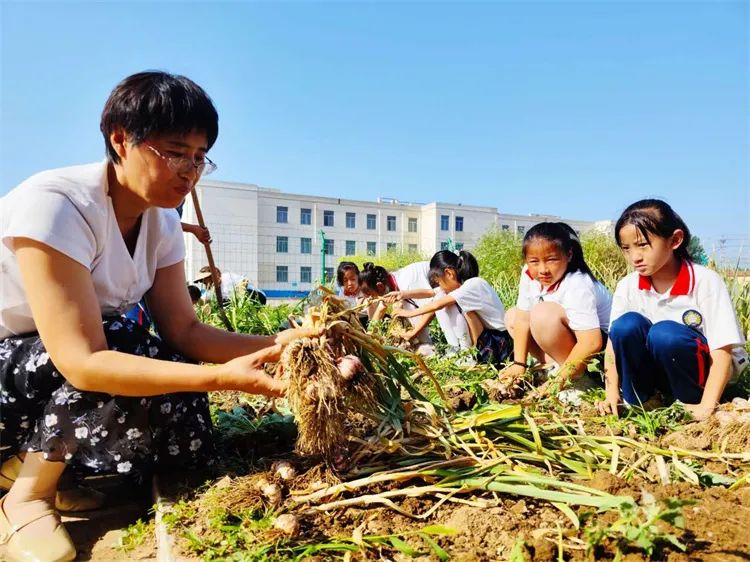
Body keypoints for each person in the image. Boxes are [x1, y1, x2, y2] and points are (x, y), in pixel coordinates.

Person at [0, 71, 316, 562]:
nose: (189, 171)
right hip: (13, 371)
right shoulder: (57, 205)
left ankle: (37, 464)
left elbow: (185, 330)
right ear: (121, 140)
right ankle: (26, 496)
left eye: (199, 156)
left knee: (185, 432)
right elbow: (83, 361)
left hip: (60, 368)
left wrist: (283, 344)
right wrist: (217, 379)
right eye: (175, 152)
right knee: (125, 346)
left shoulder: (163, 221)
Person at [597, 199, 747, 421]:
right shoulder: (628, 285)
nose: (634, 257)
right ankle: (642, 401)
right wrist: (611, 394)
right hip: (655, 373)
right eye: (626, 248)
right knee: (626, 326)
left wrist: (707, 407)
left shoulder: (705, 281)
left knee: (664, 334)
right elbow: (613, 347)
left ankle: (688, 402)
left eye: (643, 245)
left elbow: (722, 352)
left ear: (675, 240)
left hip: (700, 378)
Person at [504, 223, 612, 395]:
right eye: (534, 261)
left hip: (601, 351)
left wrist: (559, 382)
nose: (543, 270)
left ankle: (578, 380)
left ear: (568, 255)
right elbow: (522, 319)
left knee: (543, 314)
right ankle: (551, 368)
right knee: (512, 316)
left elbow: (592, 342)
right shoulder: (529, 273)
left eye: (551, 260)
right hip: (570, 340)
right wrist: (519, 364)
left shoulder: (578, 283)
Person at [393, 251, 511, 367]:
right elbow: (430, 293)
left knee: (449, 303)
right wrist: (402, 294)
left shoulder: (473, 285)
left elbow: (436, 305)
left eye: (438, 281)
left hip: (499, 344)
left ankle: (465, 353)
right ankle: (455, 351)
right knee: (440, 295)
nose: (439, 286)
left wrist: (407, 313)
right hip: (488, 340)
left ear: (449, 273)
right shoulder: (462, 286)